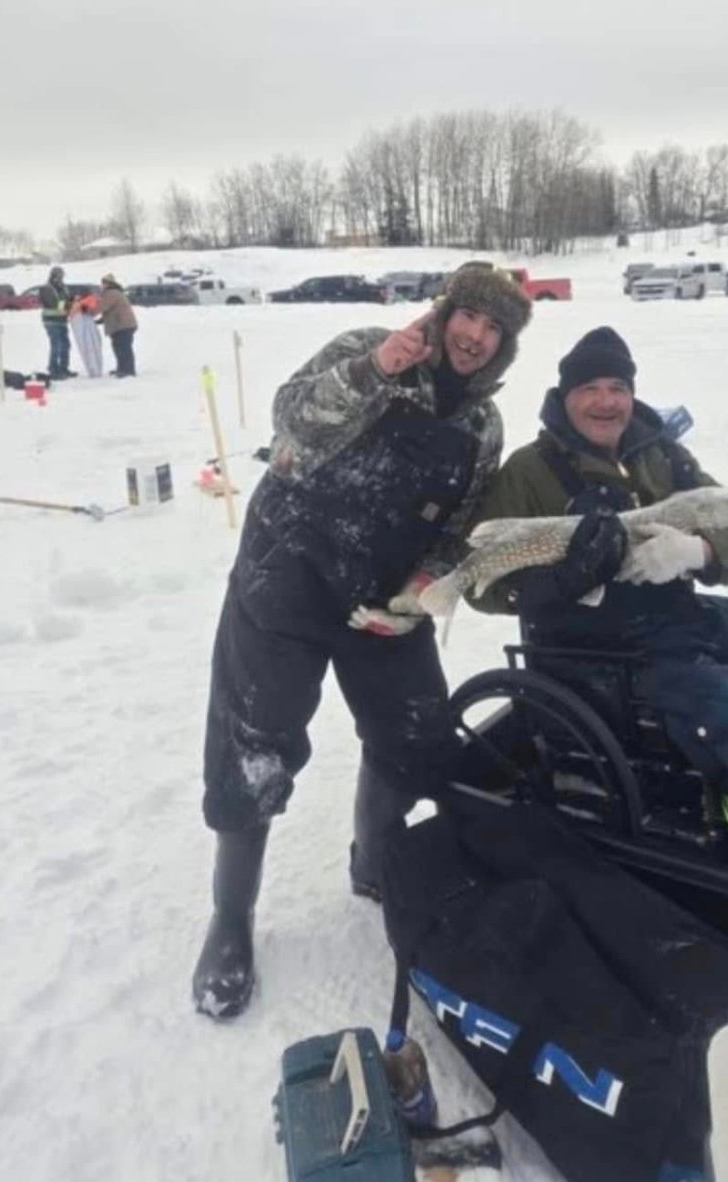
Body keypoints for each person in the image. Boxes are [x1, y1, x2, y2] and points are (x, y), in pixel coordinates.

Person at [192, 263, 533, 1018]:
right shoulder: (371, 349)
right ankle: (231, 918)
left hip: (382, 597)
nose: (475, 337)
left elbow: (457, 531)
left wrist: (419, 592)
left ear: (504, 345)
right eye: (468, 319)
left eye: (494, 331)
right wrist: (376, 370)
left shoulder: (482, 425)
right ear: (447, 315)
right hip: (287, 575)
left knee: (417, 733)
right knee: (255, 743)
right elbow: (291, 421)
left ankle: (374, 861)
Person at [469, 326, 728, 829]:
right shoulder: (528, 471)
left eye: (619, 389)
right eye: (590, 389)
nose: (606, 402)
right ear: (565, 398)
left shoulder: (661, 454)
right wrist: (569, 577)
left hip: (680, 616)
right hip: (599, 649)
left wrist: (699, 552)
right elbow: (487, 587)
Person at [98, 274, 138, 377]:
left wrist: (86, 311)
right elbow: (112, 310)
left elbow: (103, 307)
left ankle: (128, 370)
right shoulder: (116, 292)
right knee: (119, 347)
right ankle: (122, 368)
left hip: (122, 325)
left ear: (108, 284)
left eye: (103, 283)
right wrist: (102, 320)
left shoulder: (111, 293)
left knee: (123, 348)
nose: (102, 285)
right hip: (122, 324)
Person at [39, 266, 75, 379]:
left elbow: (68, 300)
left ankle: (63, 368)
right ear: (54, 276)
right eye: (60, 276)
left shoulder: (64, 288)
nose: (62, 278)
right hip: (51, 321)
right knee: (56, 345)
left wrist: (76, 303)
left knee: (66, 345)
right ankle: (53, 369)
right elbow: (53, 304)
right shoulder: (46, 288)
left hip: (62, 321)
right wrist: (70, 305)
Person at [69, 292, 104, 378]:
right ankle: (94, 369)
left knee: (90, 347)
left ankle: (94, 369)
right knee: (90, 347)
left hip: (84, 324)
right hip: (83, 324)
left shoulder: (84, 307)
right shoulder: (81, 307)